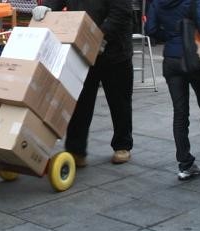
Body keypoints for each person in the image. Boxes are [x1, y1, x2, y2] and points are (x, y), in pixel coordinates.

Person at [32, 0, 135, 166]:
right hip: (83, 50)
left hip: (115, 51)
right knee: (80, 103)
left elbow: (121, 13)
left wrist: (98, 36)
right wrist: (47, 8)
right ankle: (76, 150)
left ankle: (122, 145)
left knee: (119, 101)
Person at [145, 0, 200, 180]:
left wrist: (171, 36)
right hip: (195, 57)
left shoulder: (156, 2)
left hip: (171, 59)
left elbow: (151, 30)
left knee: (180, 112)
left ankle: (185, 164)